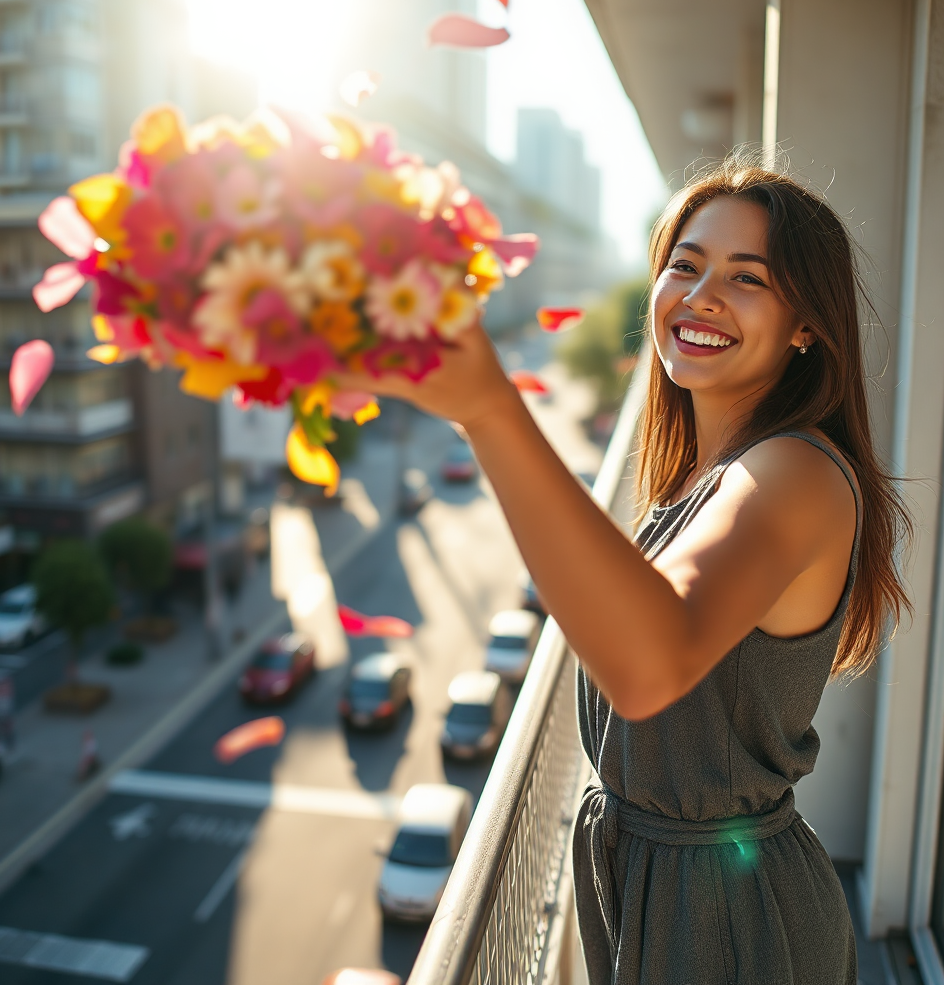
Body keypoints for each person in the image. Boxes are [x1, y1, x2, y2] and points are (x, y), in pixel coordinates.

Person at [339, 155, 912, 983]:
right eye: (686, 264)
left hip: (731, 921)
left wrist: (490, 409)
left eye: (747, 278)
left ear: (806, 326)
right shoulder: (707, 475)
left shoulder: (794, 473)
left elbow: (649, 663)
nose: (702, 294)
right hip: (665, 893)